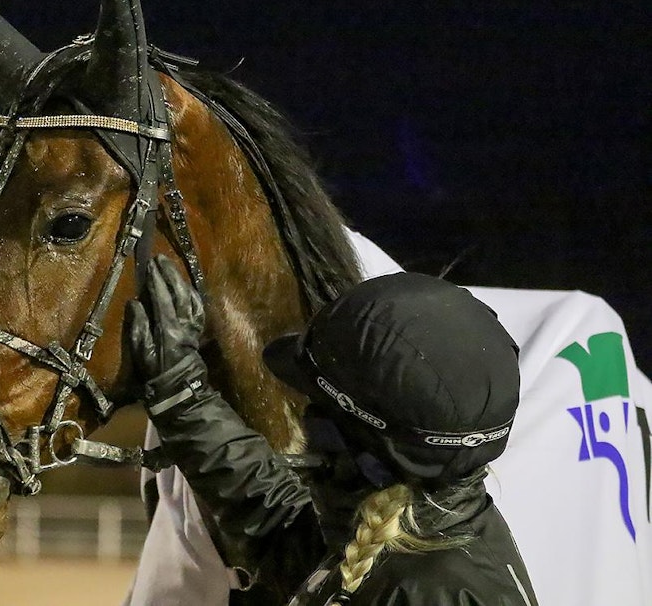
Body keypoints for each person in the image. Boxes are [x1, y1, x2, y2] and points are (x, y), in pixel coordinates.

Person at [127, 255, 539, 605]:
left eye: (318, 407)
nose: (306, 419)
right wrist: (180, 393)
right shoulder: (409, 534)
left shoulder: (430, 590)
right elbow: (278, 524)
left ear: (367, 449)